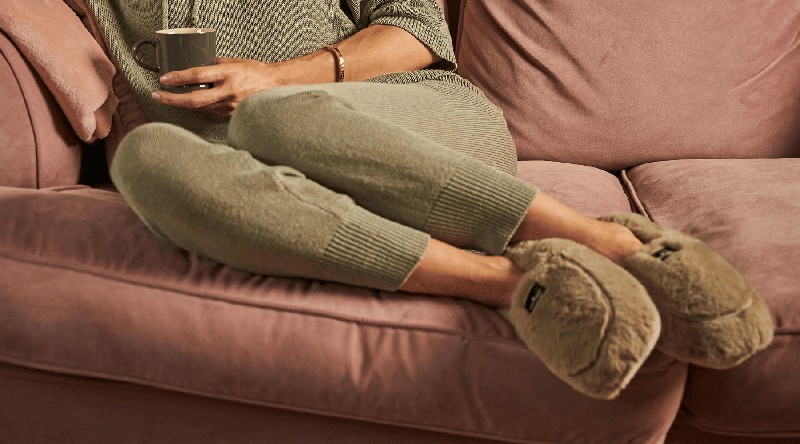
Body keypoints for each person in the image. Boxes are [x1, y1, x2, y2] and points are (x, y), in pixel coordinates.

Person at [85, 0, 771, 400]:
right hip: (255, 174)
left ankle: (599, 239)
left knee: (272, 115)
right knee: (143, 161)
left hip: (412, 122)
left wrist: (277, 77)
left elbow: (416, 31)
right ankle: (509, 283)